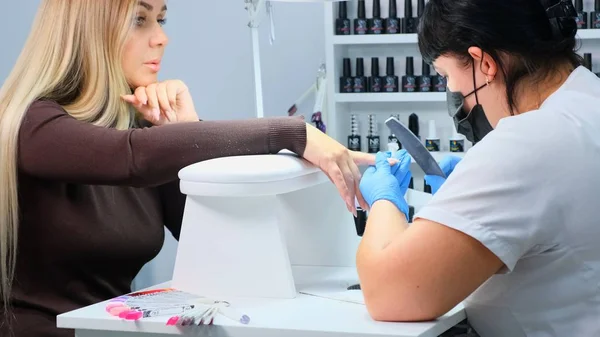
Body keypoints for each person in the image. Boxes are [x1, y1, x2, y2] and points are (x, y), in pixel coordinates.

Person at [0, 1, 379, 336]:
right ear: (87, 32)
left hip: (112, 330)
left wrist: (187, 130)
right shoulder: (33, 126)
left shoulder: (140, 131)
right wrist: (293, 133)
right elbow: (132, 158)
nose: (161, 38)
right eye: (140, 20)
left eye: (162, 19)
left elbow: (210, 239)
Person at [356, 0, 600, 336]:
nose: (454, 95)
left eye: (446, 76)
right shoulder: (588, 101)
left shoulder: (529, 142)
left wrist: (385, 200)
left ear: (484, 62)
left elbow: (388, 294)